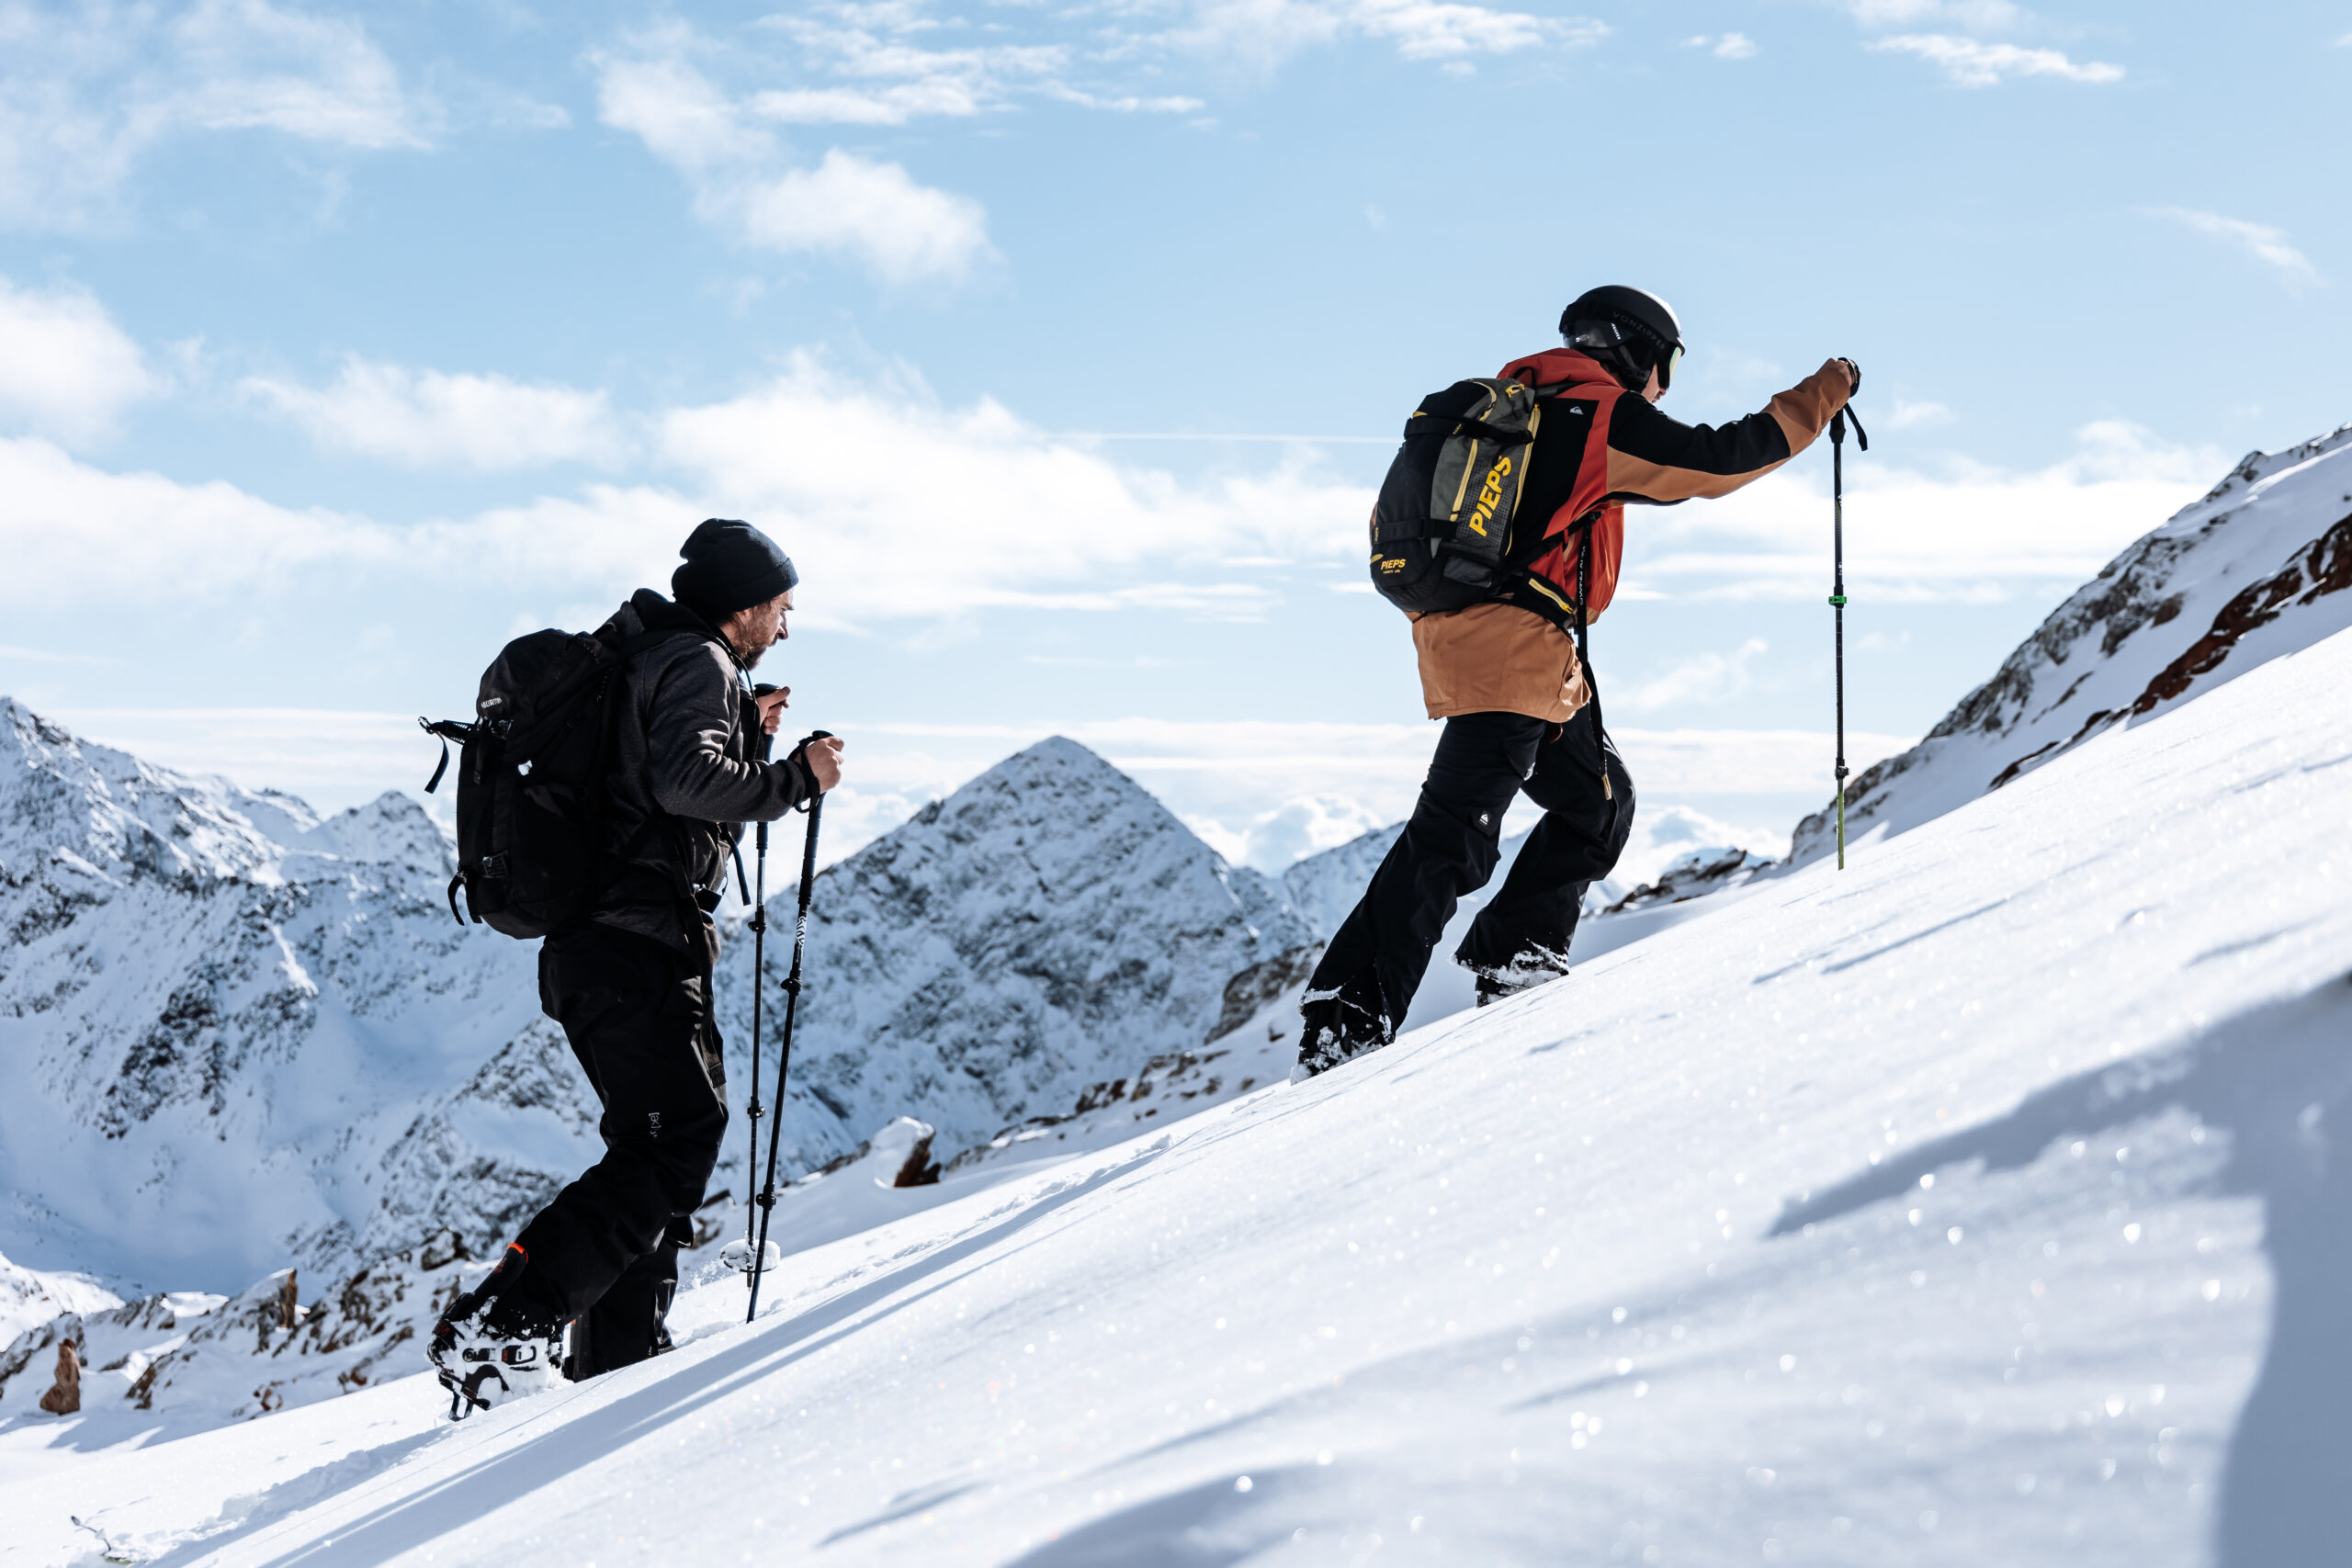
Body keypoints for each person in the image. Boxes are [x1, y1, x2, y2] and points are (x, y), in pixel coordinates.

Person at [1296, 287, 1859, 1077]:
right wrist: (1826, 391)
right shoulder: (1597, 413)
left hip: (1494, 639)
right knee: (1452, 836)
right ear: (1639, 351)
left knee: (1598, 803)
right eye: (1666, 366)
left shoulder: (1522, 402)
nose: (1663, 387)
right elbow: (1722, 458)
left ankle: (1518, 953)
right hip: (1514, 649)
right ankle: (1346, 1020)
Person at [434, 518, 847, 1401]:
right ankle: (502, 1322)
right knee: (671, 1146)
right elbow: (684, 782)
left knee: (657, 1143)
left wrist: (748, 735)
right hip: (635, 946)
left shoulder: (657, 653)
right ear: (743, 604)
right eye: (780, 607)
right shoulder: (697, 661)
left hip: (605, 947)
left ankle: (616, 1363)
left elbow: (650, 778)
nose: (785, 627)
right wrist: (794, 779)